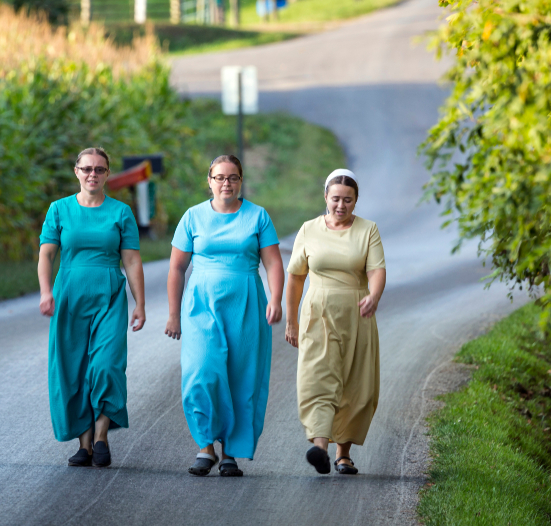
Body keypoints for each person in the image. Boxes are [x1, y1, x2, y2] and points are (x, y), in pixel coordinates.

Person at [165, 155, 284, 477]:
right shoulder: (193, 217)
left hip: (245, 302)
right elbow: (177, 268)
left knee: (240, 377)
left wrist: (275, 299)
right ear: (209, 181)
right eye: (219, 178)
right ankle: (205, 446)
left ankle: (230, 451)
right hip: (201, 304)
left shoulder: (257, 216)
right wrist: (174, 314)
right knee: (201, 371)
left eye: (232, 178)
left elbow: (273, 263)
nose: (225, 183)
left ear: (241, 181)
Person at [38, 147, 146, 468]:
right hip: (69, 295)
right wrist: (46, 292)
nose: (92, 175)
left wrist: (140, 303)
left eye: (99, 169)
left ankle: (101, 436)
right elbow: (46, 255)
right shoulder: (59, 210)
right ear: (77, 172)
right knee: (73, 369)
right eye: (87, 169)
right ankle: (84, 445)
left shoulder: (121, 212)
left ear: (107, 174)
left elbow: (131, 259)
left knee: (106, 365)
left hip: (109, 293)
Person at [285, 168, 386, 475]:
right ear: (325, 197)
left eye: (348, 200)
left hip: (357, 314)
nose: (341, 206)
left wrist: (374, 296)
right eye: (336, 199)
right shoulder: (309, 229)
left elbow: (377, 270)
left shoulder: (368, 230)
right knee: (316, 377)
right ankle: (320, 448)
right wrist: (291, 320)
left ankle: (344, 454)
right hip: (317, 314)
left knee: (356, 383)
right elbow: (295, 278)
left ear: (356, 201)